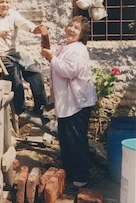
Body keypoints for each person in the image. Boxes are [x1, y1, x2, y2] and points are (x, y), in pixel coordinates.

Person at [41, 15, 97, 190]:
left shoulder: (79, 50)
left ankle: (81, 179)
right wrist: (49, 53)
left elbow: (69, 71)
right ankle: (69, 174)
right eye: (70, 26)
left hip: (77, 102)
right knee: (66, 140)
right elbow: (58, 64)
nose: (72, 30)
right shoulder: (66, 46)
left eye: (77, 28)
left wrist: (51, 59)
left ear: (82, 34)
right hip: (67, 101)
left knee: (76, 141)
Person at [0, 0, 49, 125]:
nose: (5, 4)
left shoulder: (12, 14)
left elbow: (24, 23)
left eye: (7, 2)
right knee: (15, 76)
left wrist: (36, 29)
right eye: (1, 2)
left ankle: (41, 108)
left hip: (13, 52)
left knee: (35, 72)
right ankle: (21, 109)